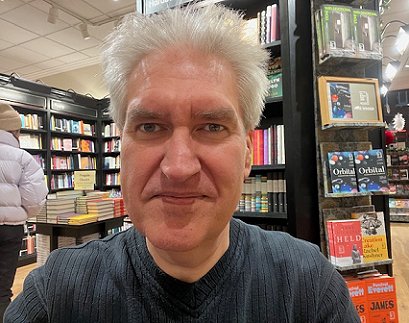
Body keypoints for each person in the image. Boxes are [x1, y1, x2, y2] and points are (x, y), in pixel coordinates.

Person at [5, 4, 360, 322]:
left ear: (248, 155)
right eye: (149, 126)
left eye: (211, 127)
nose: (178, 167)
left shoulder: (310, 287)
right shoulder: (56, 293)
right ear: (121, 147)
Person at [0, 103, 48, 321]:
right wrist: (18, 212)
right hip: (10, 231)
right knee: (2, 290)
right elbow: (35, 200)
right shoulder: (22, 158)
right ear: (14, 131)